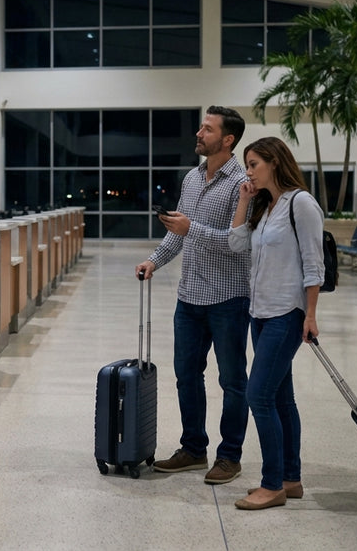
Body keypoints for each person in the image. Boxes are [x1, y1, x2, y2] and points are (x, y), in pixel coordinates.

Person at [135, 105, 251, 486]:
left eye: (207, 129)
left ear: (227, 139)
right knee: (187, 375)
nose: (199, 134)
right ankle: (193, 449)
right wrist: (154, 260)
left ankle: (229, 456)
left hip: (229, 299)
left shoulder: (242, 184)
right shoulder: (191, 178)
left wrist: (191, 228)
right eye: (201, 127)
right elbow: (179, 234)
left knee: (232, 380)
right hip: (190, 298)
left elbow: (240, 245)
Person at [227, 136, 324, 511]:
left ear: (274, 162)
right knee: (282, 398)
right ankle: (290, 478)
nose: (248, 171)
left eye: (254, 164)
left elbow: (313, 264)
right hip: (261, 313)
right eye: (247, 164)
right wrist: (244, 200)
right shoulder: (267, 208)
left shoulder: (301, 203)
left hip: (287, 313)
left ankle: (272, 485)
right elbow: (237, 245)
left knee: (258, 395)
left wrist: (311, 315)